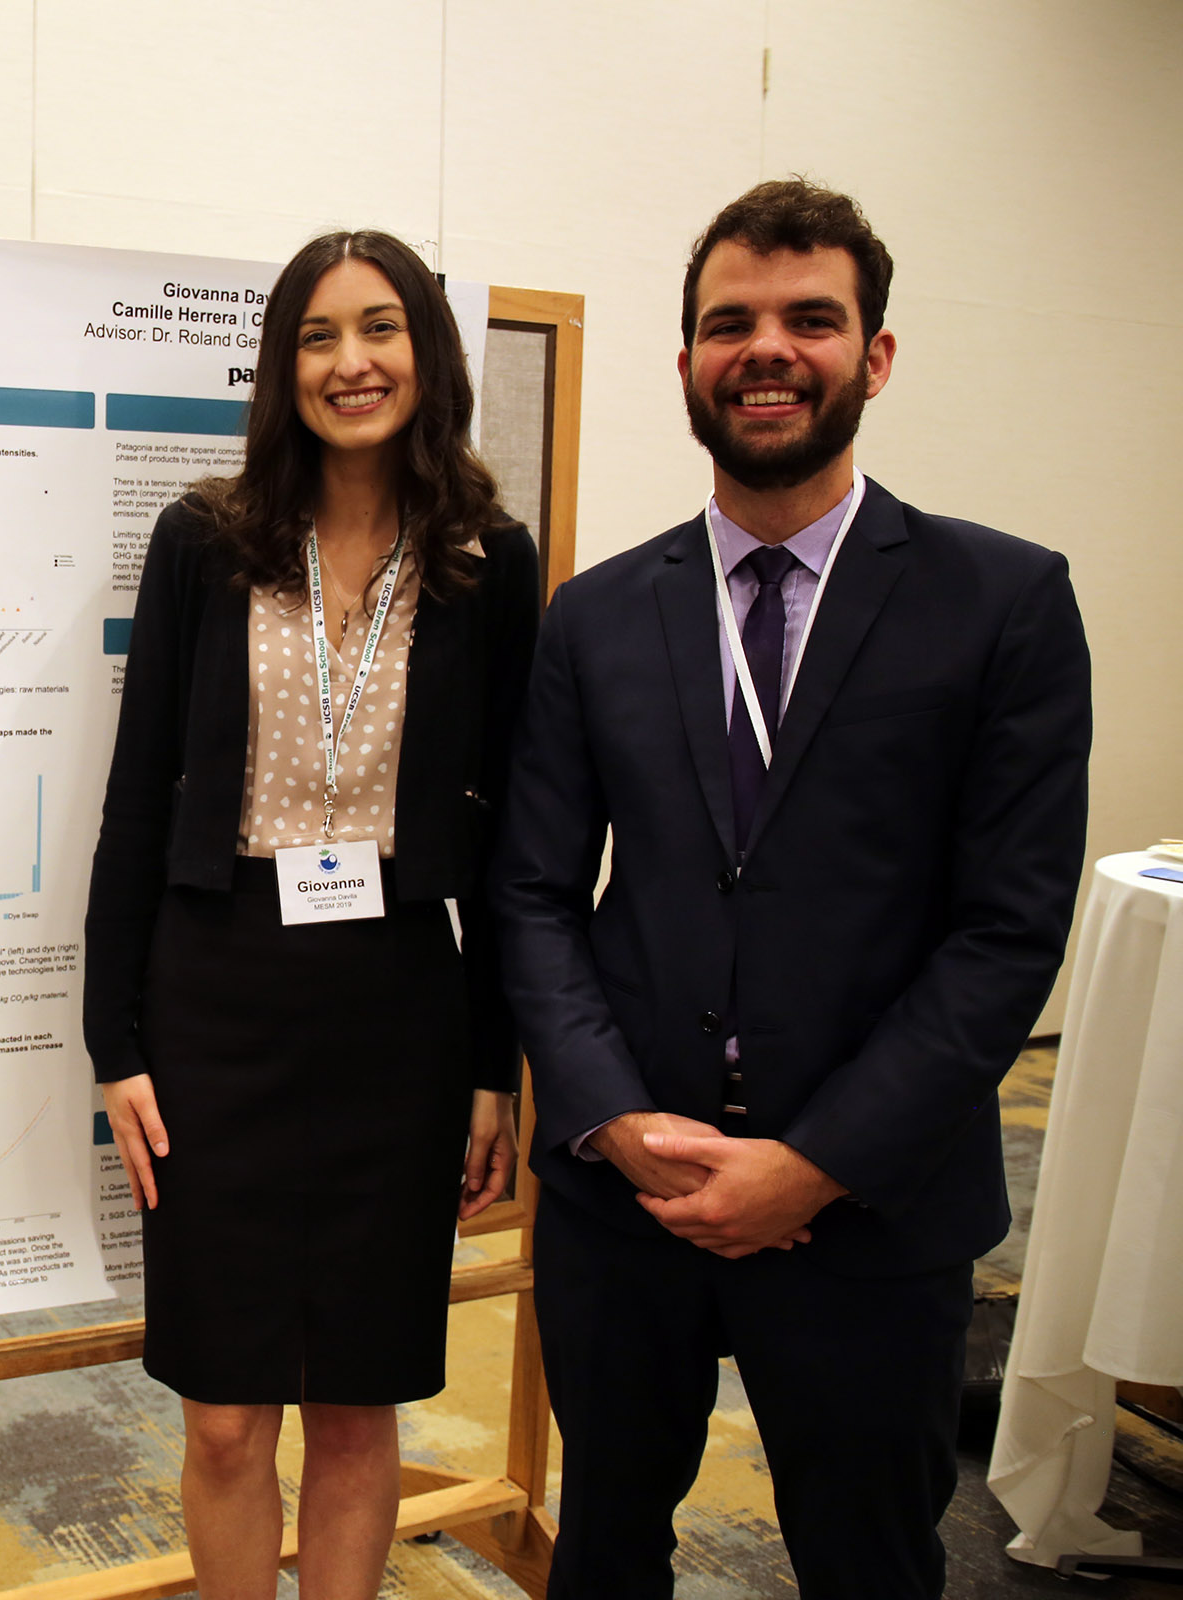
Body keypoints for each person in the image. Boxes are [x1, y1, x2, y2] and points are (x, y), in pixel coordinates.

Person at [492, 179, 1091, 1596]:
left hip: (869, 1212)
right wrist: (616, 1123)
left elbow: (1006, 933)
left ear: (874, 355)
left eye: (809, 319)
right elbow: (530, 893)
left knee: (869, 1563)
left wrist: (815, 1164)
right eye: (729, 324)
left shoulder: (1001, 604)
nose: (767, 349)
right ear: (688, 363)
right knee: (609, 1543)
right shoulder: (599, 615)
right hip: (627, 1202)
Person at [86, 230, 539, 1599]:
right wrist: (115, 1044)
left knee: (355, 1402)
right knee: (225, 1413)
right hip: (215, 999)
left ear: (427, 354)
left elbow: (516, 831)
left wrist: (489, 1066)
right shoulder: (205, 542)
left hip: (397, 1007)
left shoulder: (484, 558)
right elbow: (134, 800)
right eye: (320, 336)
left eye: (382, 328)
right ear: (285, 368)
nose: (353, 362)